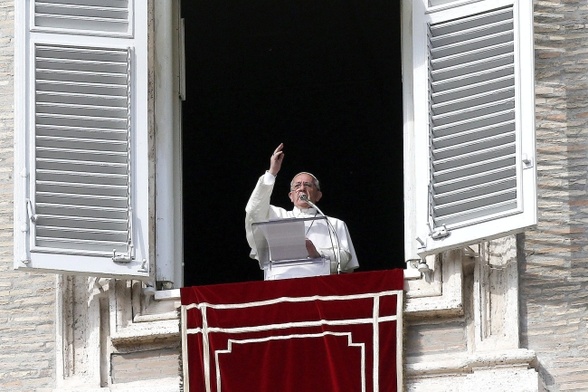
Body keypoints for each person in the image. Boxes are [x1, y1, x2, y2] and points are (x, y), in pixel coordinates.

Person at [245, 143, 359, 275]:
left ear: (318, 195)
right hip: (281, 284)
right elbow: (254, 210)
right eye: (297, 185)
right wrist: (272, 173)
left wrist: (316, 253)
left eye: (307, 185)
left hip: (319, 286)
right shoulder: (278, 216)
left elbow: (345, 259)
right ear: (291, 196)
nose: (301, 188)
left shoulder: (334, 224)